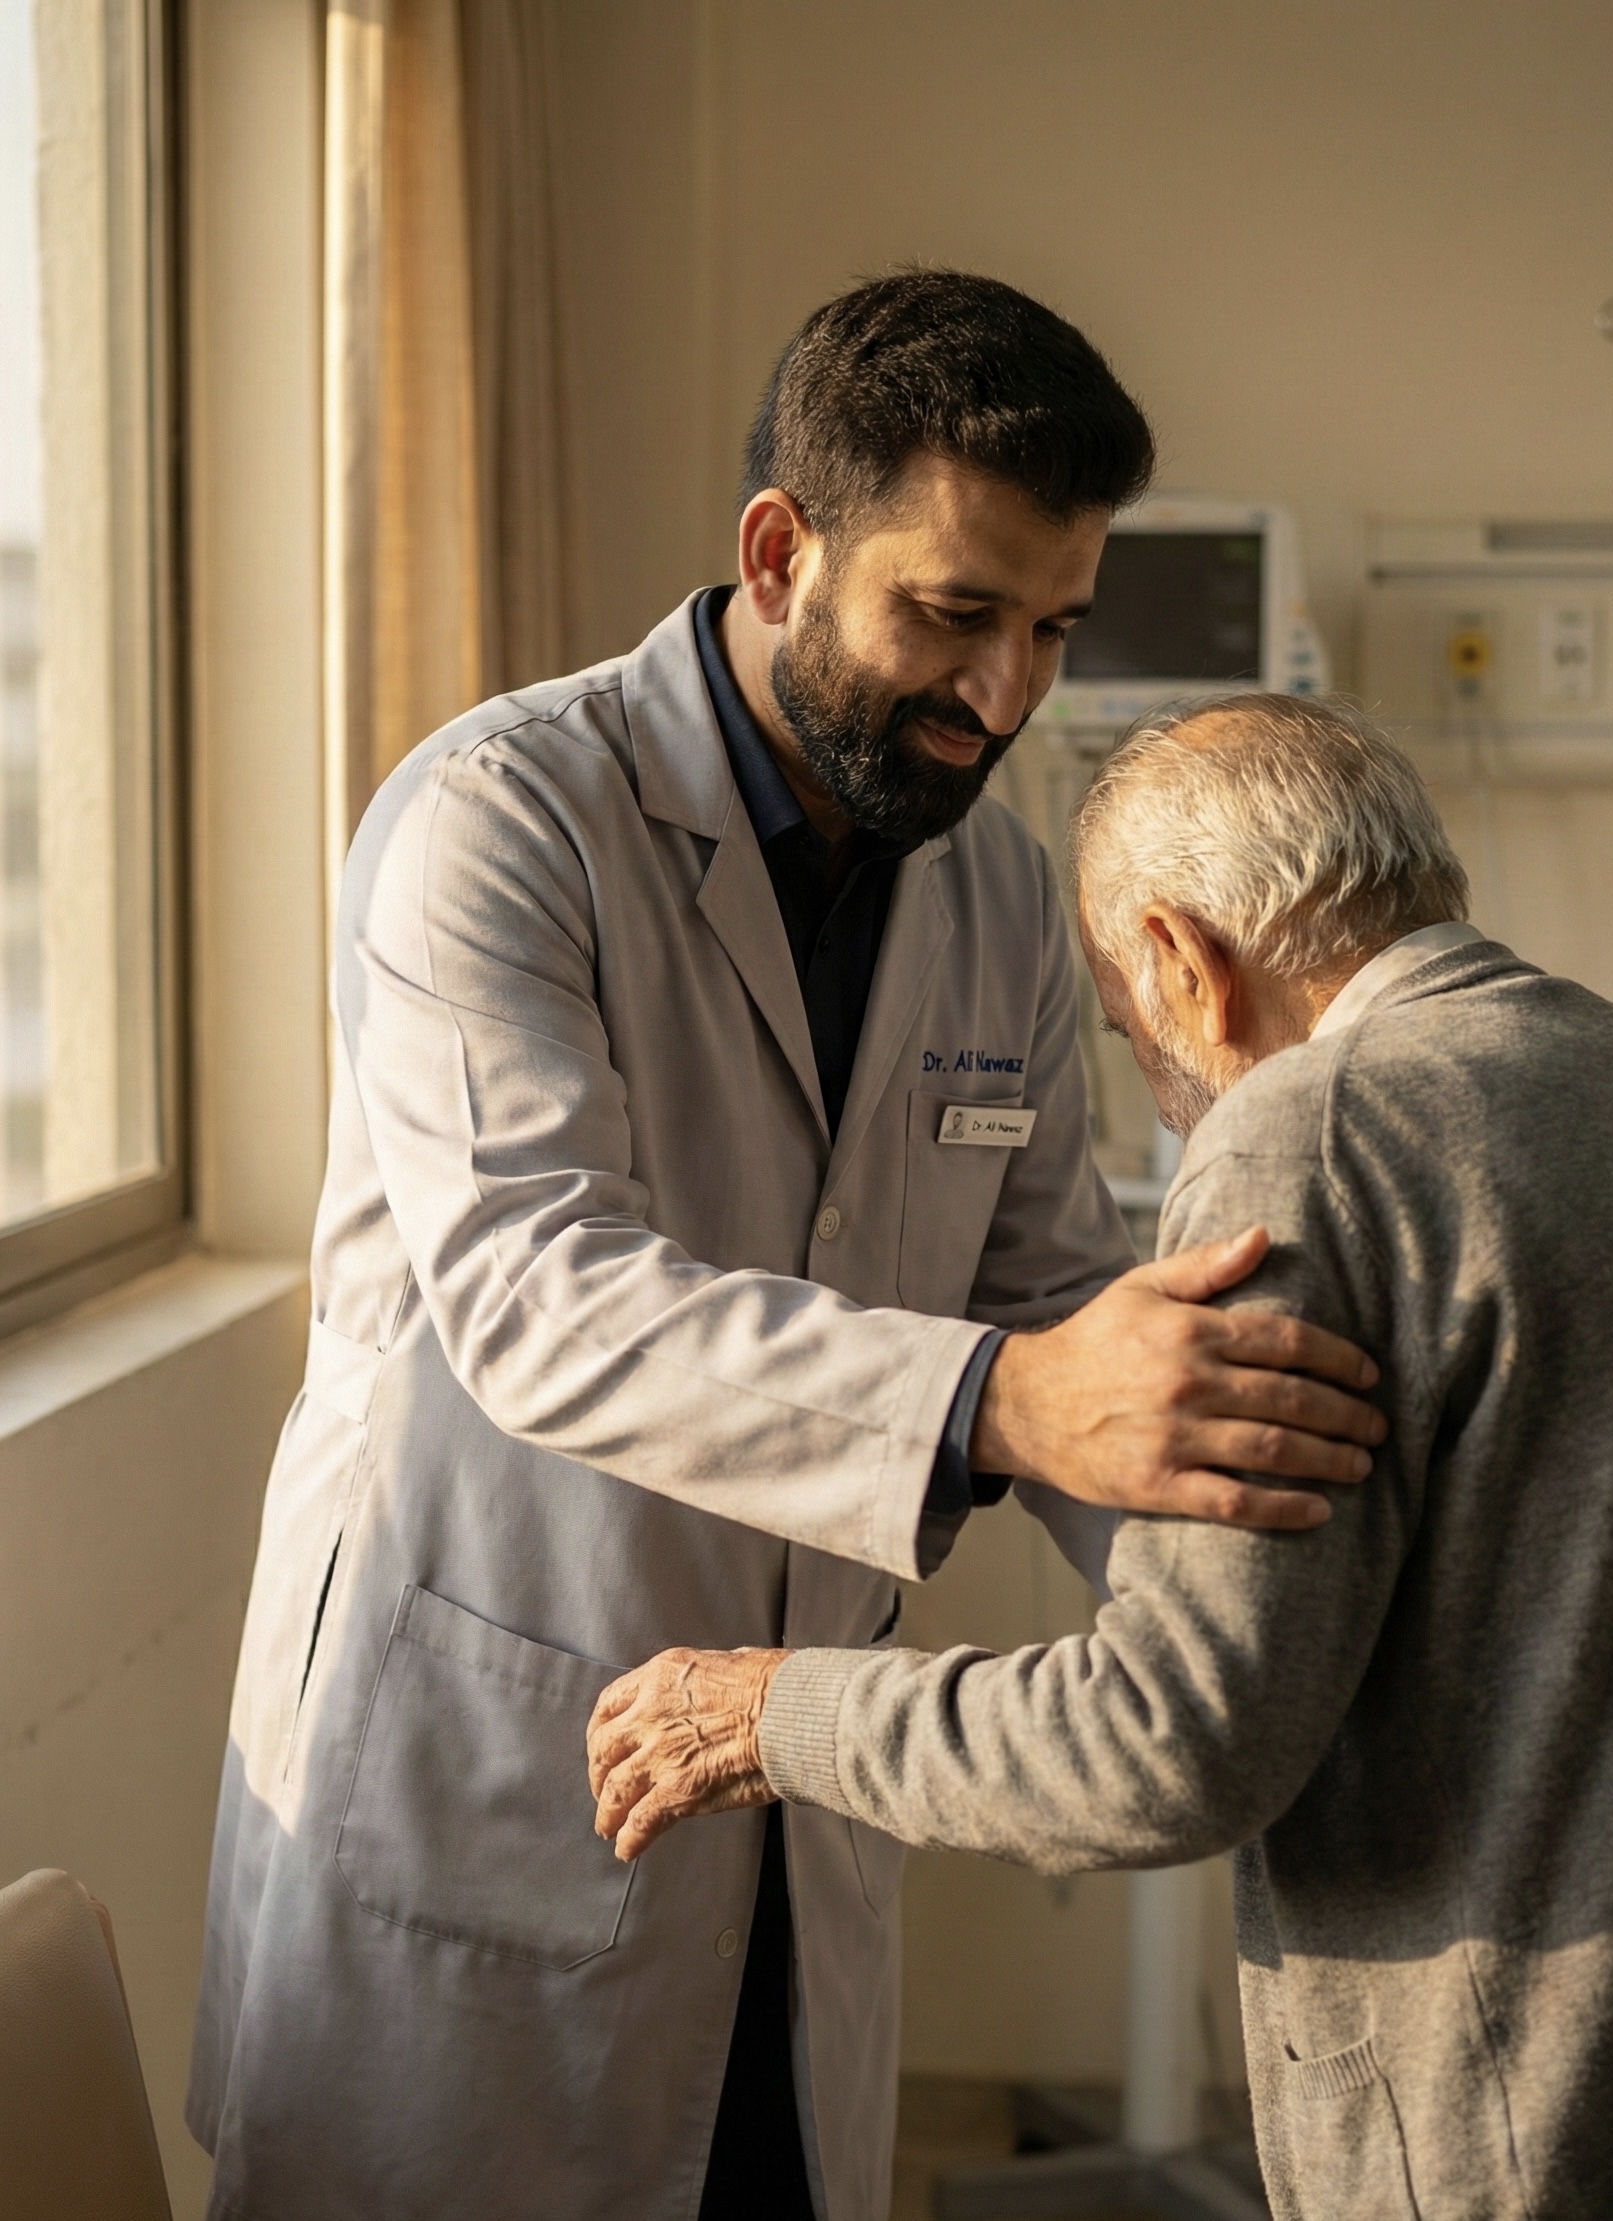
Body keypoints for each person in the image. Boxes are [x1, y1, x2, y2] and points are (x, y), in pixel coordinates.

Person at [187, 277, 1388, 2221]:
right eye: (951, 616)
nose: (1007, 696)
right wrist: (1011, 1399)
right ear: (778, 551)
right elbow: (535, 1297)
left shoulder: (990, 882)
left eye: (1051, 631)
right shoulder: (500, 823)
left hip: (788, 1793)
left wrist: (1256, 1570)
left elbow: (1036, 1278)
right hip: (490, 1773)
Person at [591, 694, 1613, 2220]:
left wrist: (776, 1713)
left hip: (1520, 2125)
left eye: (1120, 1027)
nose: (1151, 1072)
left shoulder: (1316, 1129)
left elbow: (1167, 1739)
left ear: (1180, 962)